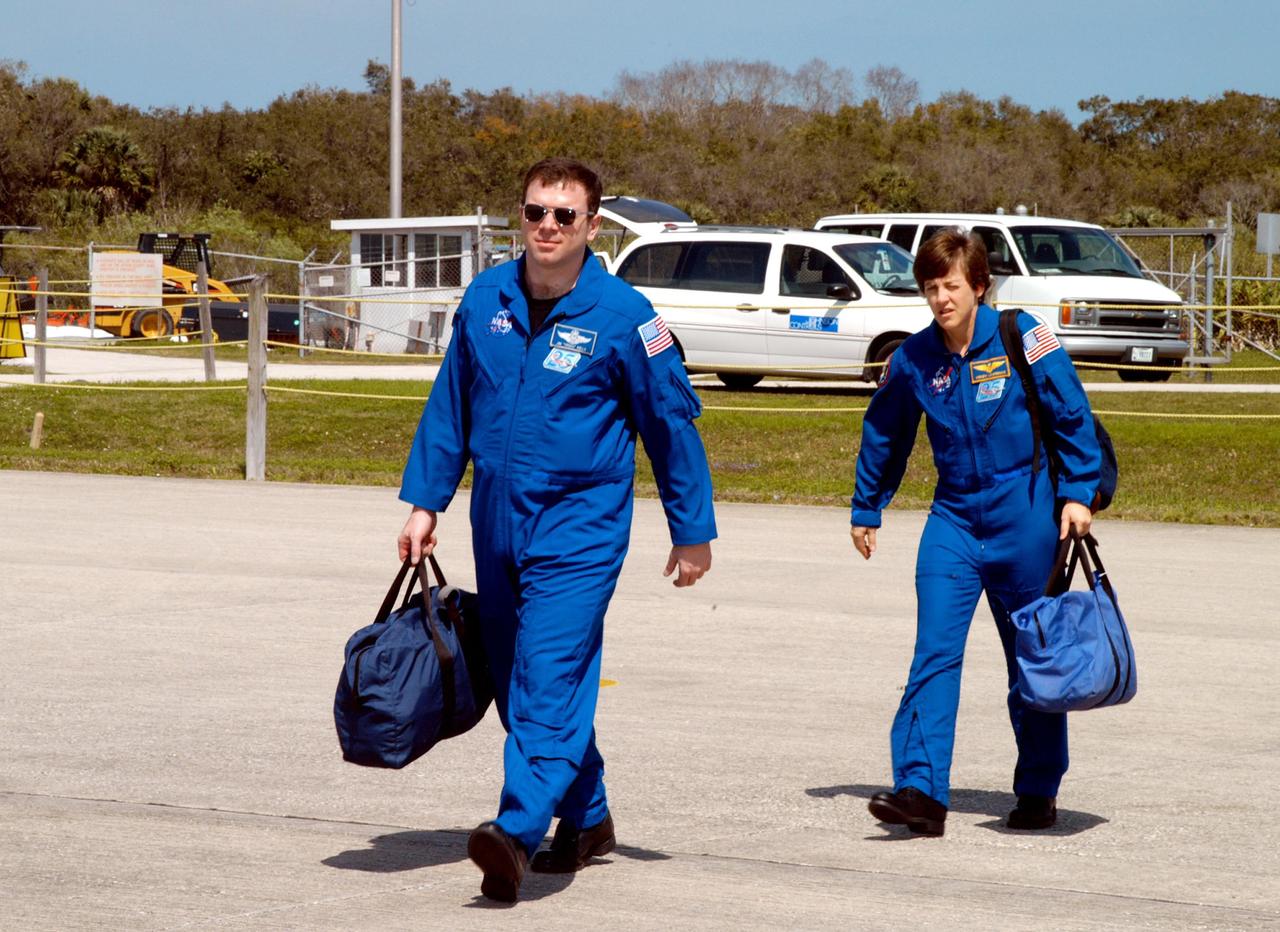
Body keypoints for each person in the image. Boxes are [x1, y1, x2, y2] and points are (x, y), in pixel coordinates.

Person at [397, 157, 716, 900]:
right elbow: (451, 406)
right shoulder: (486, 299)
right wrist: (426, 503)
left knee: (548, 671)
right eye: (535, 211)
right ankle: (589, 815)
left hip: (580, 525)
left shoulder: (627, 318)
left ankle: (515, 831)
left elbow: (671, 425)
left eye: (563, 216)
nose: (547, 226)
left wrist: (690, 527)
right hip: (496, 517)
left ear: (592, 226)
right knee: (516, 681)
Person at [849, 229, 1100, 836]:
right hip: (954, 521)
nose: (940, 299)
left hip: (1027, 517)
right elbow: (886, 432)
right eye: (931, 288)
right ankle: (921, 793)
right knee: (933, 653)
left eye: (951, 286)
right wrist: (867, 506)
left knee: (1031, 664)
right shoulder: (912, 358)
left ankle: (1038, 789)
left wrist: (1077, 494)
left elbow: (1071, 412)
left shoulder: (1023, 338)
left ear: (979, 286)